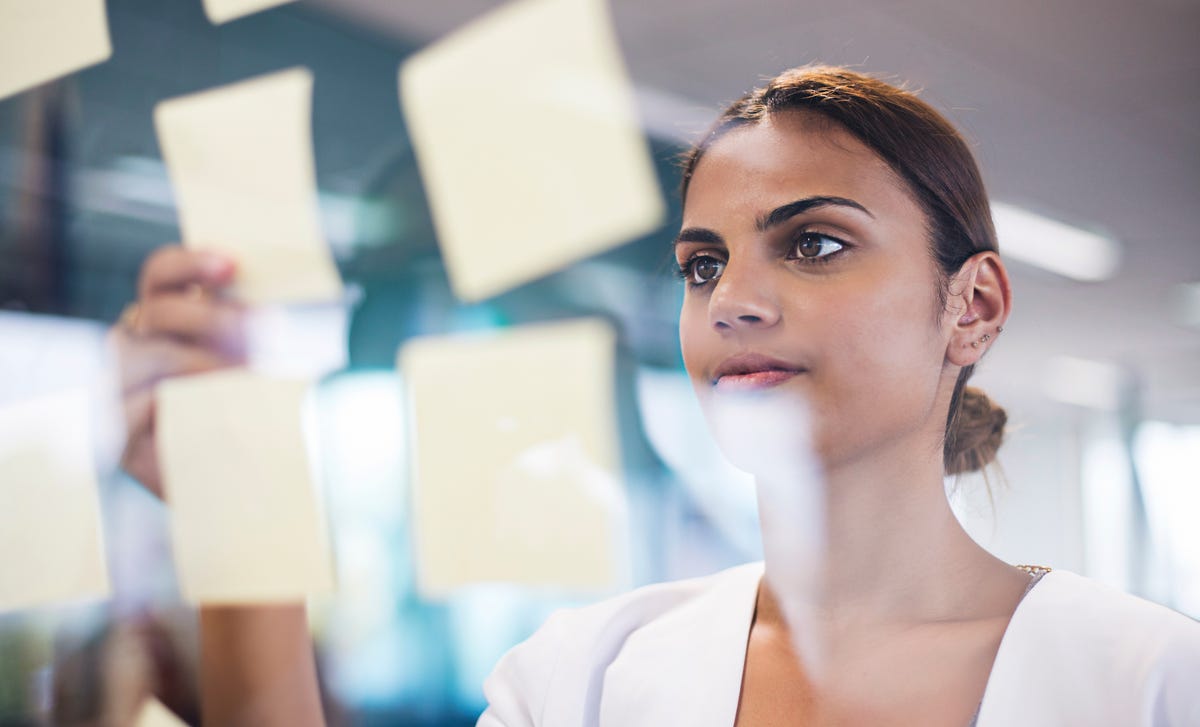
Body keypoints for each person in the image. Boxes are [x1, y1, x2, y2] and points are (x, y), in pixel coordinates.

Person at [113, 65, 1200, 726]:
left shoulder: (1152, 680)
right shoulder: (584, 674)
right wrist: (239, 525)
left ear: (972, 307)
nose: (731, 300)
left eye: (815, 244)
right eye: (700, 264)